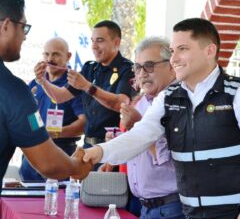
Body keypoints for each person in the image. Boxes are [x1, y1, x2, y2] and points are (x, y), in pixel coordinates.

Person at [83, 18, 240, 219]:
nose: (174, 59)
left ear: (209, 51)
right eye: (173, 51)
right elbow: (141, 136)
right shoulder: (168, 96)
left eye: (183, 49)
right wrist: (96, 153)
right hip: (188, 213)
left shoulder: (234, 92)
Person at [0, 0, 91, 192]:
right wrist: (78, 166)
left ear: (67, 57)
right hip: (46, 159)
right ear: (6, 26)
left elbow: (80, 120)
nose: (24, 37)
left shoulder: (70, 83)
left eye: (56, 54)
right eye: (24, 27)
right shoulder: (15, 91)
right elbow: (49, 164)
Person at [34, 20, 136, 170]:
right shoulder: (90, 68)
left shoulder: (127, 69)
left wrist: (87, 86)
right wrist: (42, 81)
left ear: (116, 42)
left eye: (100, 41)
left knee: (108, 192)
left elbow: (121, 103)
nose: (94, 46)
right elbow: (60, 96)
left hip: (111, 149)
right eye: (92, 41)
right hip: (87, 149)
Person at [101, 36, 184, 219]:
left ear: (171, 66)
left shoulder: (181, 103)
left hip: (171, 207)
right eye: (138, 67)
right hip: (142, 206)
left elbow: (171, 161)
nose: (142, 73)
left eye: (149, 66)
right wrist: (113, 151)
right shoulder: (141, 102)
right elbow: (135, 147)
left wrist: (137, 125)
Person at [20, 37, 86, 181]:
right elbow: (29, 116)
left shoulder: (73, 84)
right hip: (32, 153)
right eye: (46, 54)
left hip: (61, 152)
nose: (50, 59)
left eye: (56, 54)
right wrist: (36, 128)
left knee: (55, 201)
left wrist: (55, 134)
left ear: (68, 57)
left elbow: (84, 124)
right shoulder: (36, 83)